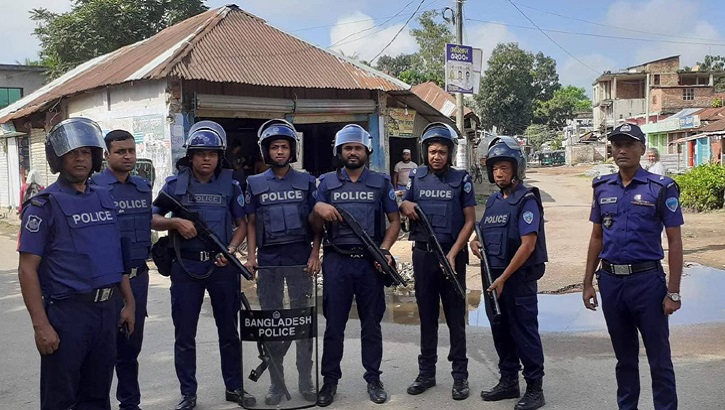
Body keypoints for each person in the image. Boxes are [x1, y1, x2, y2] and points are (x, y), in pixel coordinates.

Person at [17, 117, 136, 409]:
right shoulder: (44, 205)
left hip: (106, 313)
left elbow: (114, 257)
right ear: (58, 159)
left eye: (85, 152)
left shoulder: (104, 198)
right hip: (69, 313)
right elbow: (27, 269)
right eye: (71, 153)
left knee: (97, 397)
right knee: (60, 399)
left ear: (95, 156)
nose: (80, 158)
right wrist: (40, 325)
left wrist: (129, 303)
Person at [151, 121, 254, 410]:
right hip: (186, 267)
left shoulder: (231, 185)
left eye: (211, 153)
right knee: (185, 334)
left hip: (222, 267)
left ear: (220, 156)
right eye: (200, 153)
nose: (206, 158)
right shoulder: (174, 185)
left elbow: (241, 224)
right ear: (191, 156)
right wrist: (175, 222)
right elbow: (152, 217)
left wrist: (232, 250)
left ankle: (234, 388)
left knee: (228, 332)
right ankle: (188, 394)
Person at [582, 123, 683, 410]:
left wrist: (673, 292)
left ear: (642, 149)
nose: (622, 150)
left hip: (647, 283)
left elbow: (674, 241)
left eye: (629, 144)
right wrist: (588, 282)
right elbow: (597, 237)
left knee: (659, 358)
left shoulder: (661, 188)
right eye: (617, 144)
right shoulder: (602, 187)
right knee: (624, 359)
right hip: (612, 283)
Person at [311, 124, 400, 407]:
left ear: (367, 151)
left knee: (371, 325)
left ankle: (373, 378)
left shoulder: (381, 182)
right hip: (336, 261)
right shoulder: (325, 183)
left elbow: (395, 221)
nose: (352, 152)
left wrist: (384, 250)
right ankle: (329, 381)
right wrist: (317, 210)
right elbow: (314, 228)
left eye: (357, 148)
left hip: (369, 262)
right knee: (334, 326)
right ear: (340, 151)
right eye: (347, 148)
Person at [244, 119, 321, 405]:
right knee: (272, 325)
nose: (279, 151)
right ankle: (277, 383)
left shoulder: (307, 181)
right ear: (266, 151)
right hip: (269, 261)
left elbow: (317, 225)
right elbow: (251, 223)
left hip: (300, 258)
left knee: (303, 324)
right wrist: (251, 258)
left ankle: (305, 380)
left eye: (284, 147)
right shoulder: (254, 183)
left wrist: (315, 254)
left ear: (292, 151)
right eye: (274, 147)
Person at [399, 123, 476, 401]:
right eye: (432, 151)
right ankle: (426, 373)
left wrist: (454, 253)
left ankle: (460, 377)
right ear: (425, 152)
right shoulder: (416, 178)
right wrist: (403, 205)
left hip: (452, 255)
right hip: (423, 255)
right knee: (427, 317)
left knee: (456, 318)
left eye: (442, 152)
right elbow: (404, 204)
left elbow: (470, 220)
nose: (436, 156)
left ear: (450, 153)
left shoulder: (461, 179)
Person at [470, 136, 547, 410]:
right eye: (495, 168)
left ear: (517, 169)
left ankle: (535, 388)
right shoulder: (492, 202)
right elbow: (481, 235)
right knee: (500, 330)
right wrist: (474, 243)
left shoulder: (526, 200)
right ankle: (508, 381)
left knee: (524, 332)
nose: (498, 173)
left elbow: (528, 245)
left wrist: (503, 278)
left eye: (504, 167)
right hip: (493, 278)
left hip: (516, 280)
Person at [90, 130, 152, 410]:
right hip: (106, 282)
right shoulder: (94, 188)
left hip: (139, 278)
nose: (128, 156)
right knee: (103, 351)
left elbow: (151, 223)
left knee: (130, 349)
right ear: (106, 155)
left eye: (131, 150)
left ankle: (130, 404)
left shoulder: (142, 187)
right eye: (120, 151)